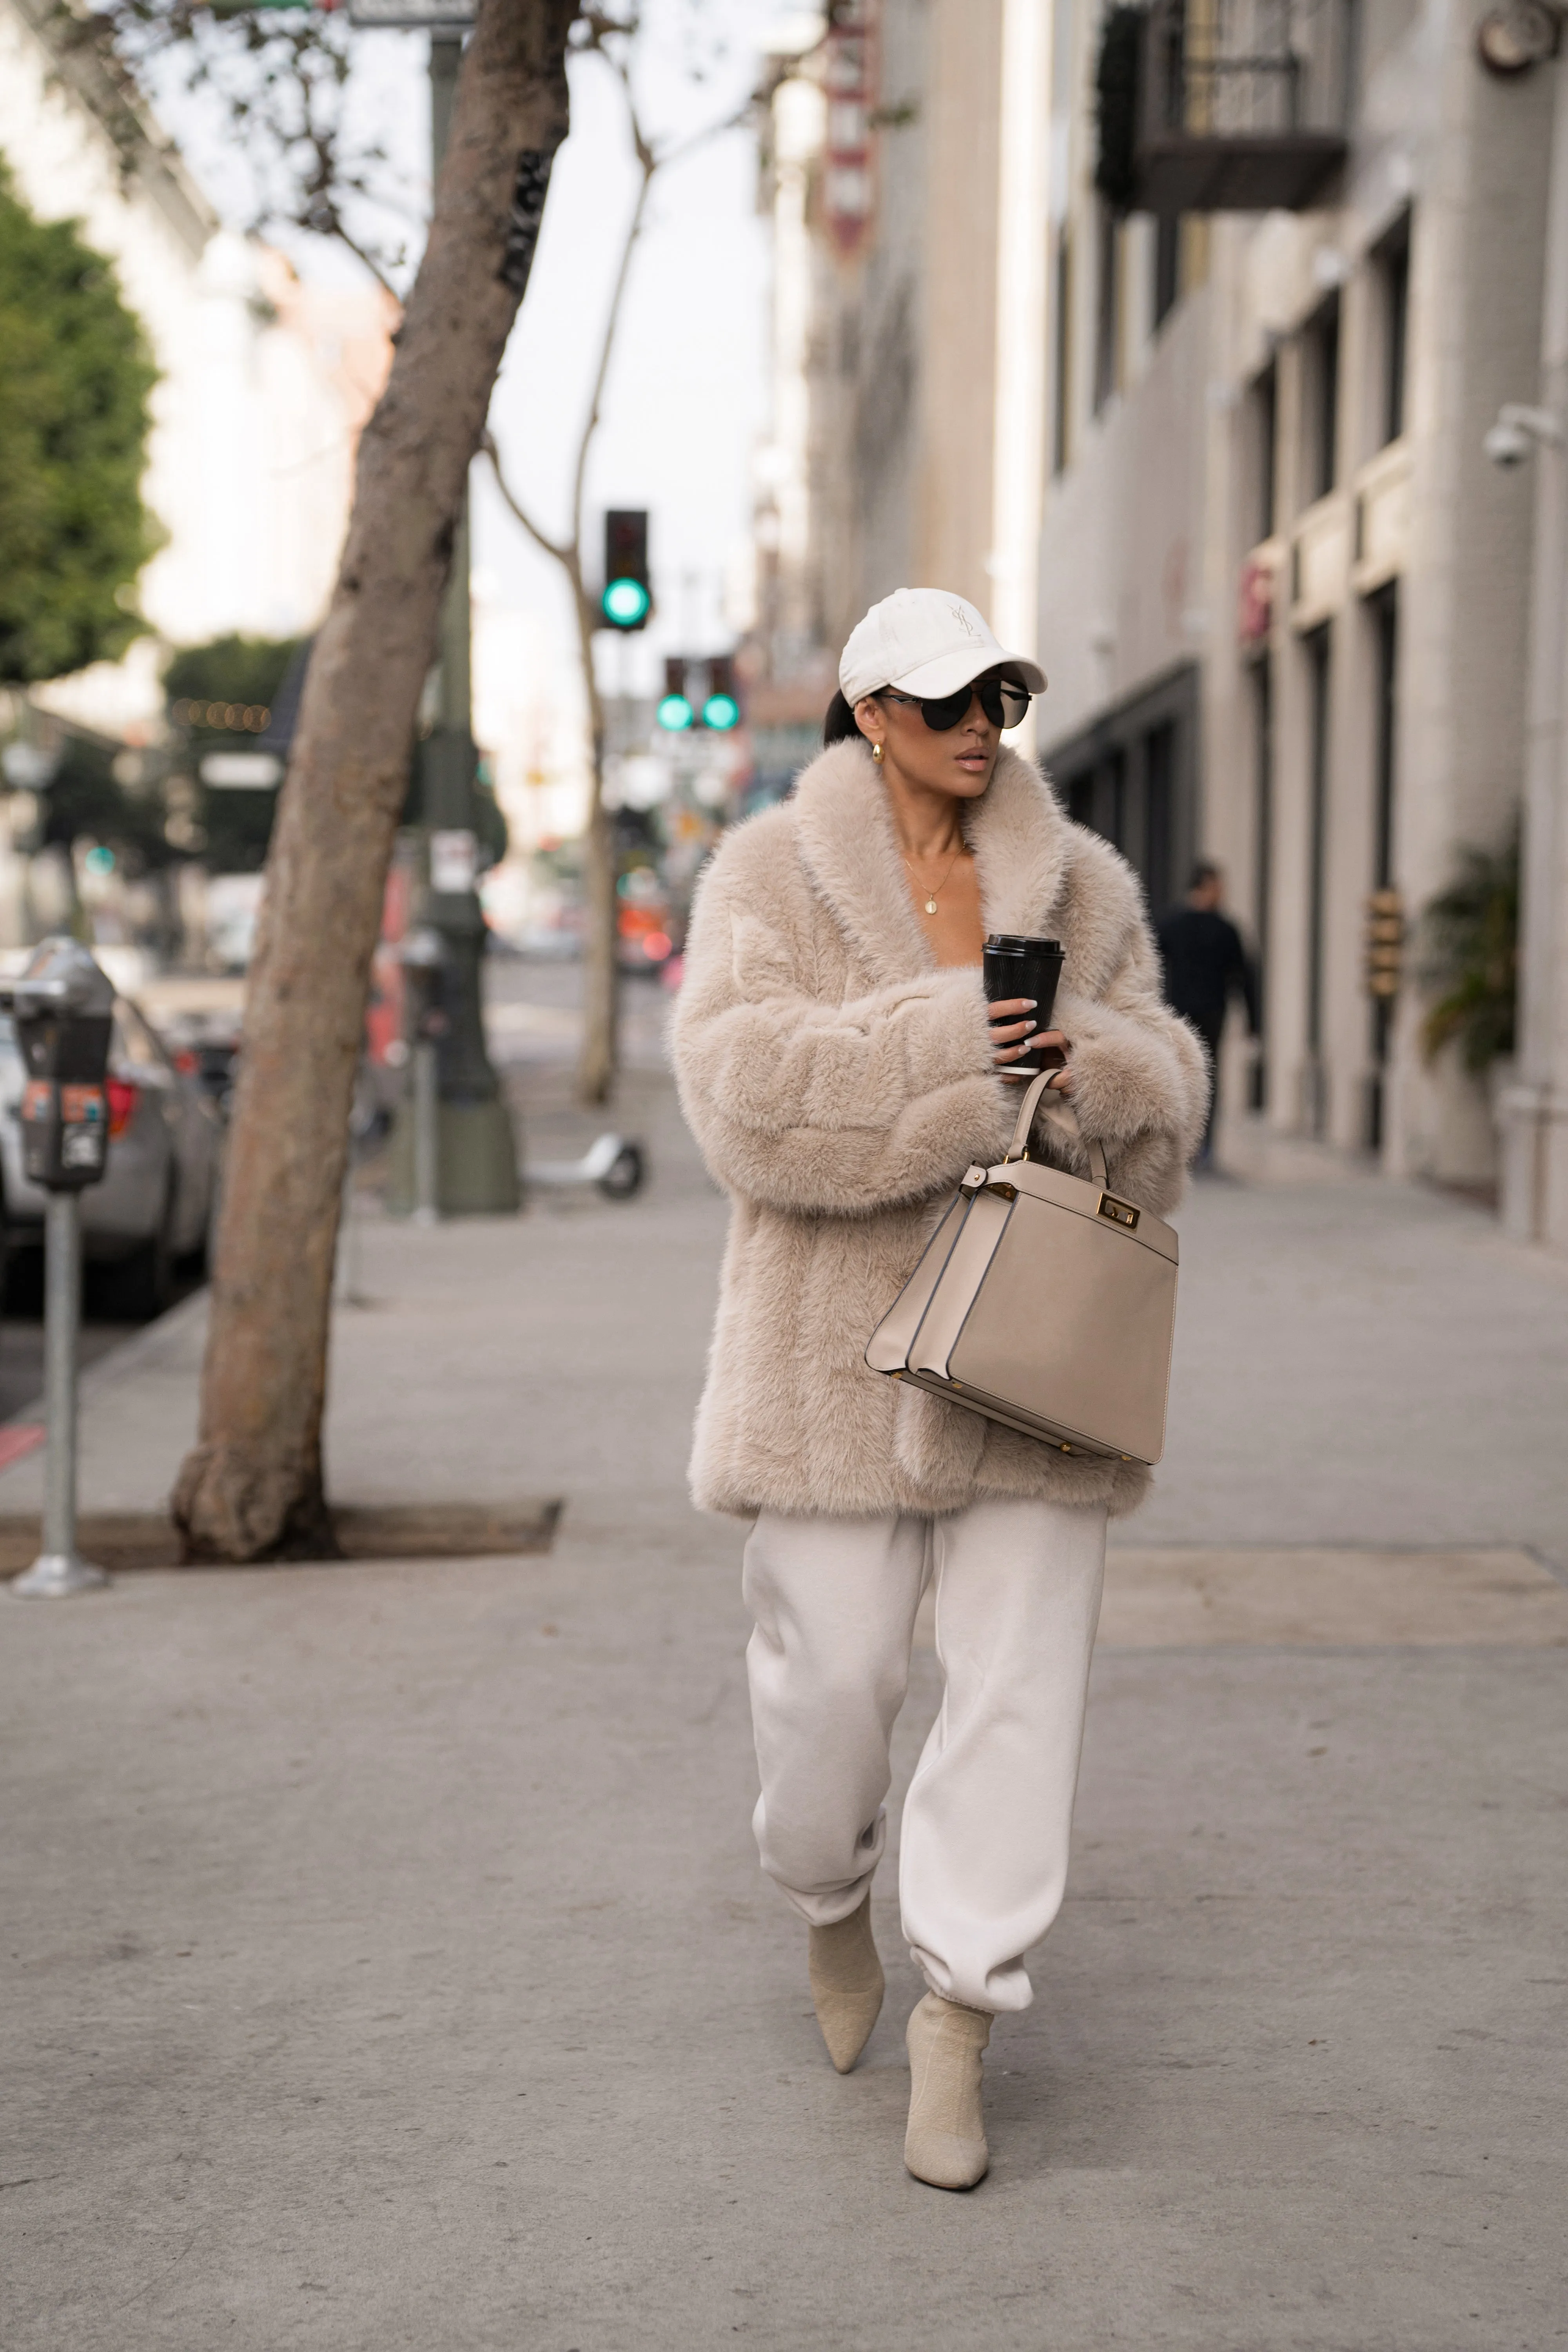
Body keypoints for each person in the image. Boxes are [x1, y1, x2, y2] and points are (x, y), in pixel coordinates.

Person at [671, 588, 1206, 2192]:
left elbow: (1165, 1099)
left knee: (1018, 1692)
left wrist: (1076, 1070)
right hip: (826, 1366)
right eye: (949, 696)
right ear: (871, 710)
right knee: (827, 1688)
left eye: (1003, 694)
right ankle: (827, 1894)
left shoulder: (1086, 885)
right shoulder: (766, 872)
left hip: (1031, 1357)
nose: (982, 720)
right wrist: (949, 1043)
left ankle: (961, 2014)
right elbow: (741, 1103)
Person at [1156, 862, 1259, 1169]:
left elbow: (1244, 978)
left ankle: (1196, 1144)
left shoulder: (1174, 923)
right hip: (1203, 1013)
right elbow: (1246, 979)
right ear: (1205, 886)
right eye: (1218, 887)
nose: (1222, 893)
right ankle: (1197, 1145)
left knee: (1190, 1076)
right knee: (1202, 1076)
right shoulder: (1222, 928)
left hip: (1187, 1012)